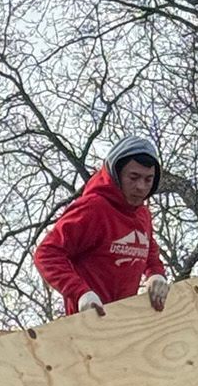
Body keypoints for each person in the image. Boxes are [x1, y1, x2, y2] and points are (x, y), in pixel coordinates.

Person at [34, 134, 172, 318]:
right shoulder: (94, 208)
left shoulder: (142, 214)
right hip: (87, 323)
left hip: (123, 323)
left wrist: (156, 274)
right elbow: (47, 253)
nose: (141, 186)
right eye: (134, 177)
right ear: (117, 174)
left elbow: (148, 249)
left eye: (148, 179)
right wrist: (81, 293)